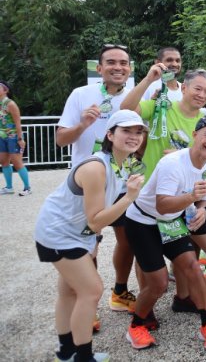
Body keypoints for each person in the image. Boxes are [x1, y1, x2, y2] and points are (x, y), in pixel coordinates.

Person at [35, 110, 147, 362]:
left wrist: (92, 240)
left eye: (138, 131)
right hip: (59, 233)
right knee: (92, 290)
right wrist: (130, 197)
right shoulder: (97, 167)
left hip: (74, 233)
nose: (134, 136)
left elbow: (95, 217)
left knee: (69, 292)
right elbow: (96, 219)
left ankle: (66, 353)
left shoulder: (120, 163)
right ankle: (82, 357)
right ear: (110, 134)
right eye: (126, 131)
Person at [123, 116, 206, 351]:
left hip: (171, 221)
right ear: (195, 136)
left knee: (193, 267)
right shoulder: (173, 163)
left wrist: (201, 209)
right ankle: (136, 325)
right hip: (143, 221)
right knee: (158, 283)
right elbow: (163, 205)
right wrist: (192, 197)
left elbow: (202, 198)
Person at [56, 43, 135, 321]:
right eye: (111, 62)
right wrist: (82, 126)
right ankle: (87, 306)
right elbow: (60, 139)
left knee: (129, 240)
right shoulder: (81, 94)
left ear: (129, 69)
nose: (118, 67)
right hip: (89, 184)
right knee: (89, 242)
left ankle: (120, 292)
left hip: (123, 183)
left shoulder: (138, 95)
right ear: (99, 68)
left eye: (123, 63)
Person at [120, 67, 206, 181]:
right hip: (148, 187)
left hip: (179, 192)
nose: (202, 95)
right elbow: (126, 109)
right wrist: (148, 80)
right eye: (198, 89)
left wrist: (183, 155)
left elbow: (205, 160)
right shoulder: (161, 107)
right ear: (184, 88)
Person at [0, 80, 31, 196]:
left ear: (5, 90)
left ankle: (27, 187)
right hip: (2, 136)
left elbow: (18, 123)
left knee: (17, 162)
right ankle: (9, 187)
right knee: (3, 161)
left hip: (13, 137)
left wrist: (20, 138)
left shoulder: (11, 104)